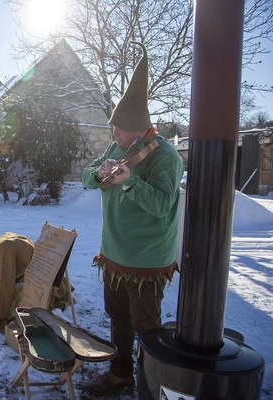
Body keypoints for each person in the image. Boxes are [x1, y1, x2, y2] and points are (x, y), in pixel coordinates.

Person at [81, 42, 184, 395]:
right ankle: (122, 372)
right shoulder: (117, 147)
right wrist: (100, 173)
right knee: (118, 319)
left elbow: (162, 205)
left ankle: (150, 384)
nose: (113, 135)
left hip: (145, 260)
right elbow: (88, 175)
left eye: (119, 130)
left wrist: (129, 183)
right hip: (114, 255)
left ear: (139, 128)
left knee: (146, 327)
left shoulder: (165, 157)